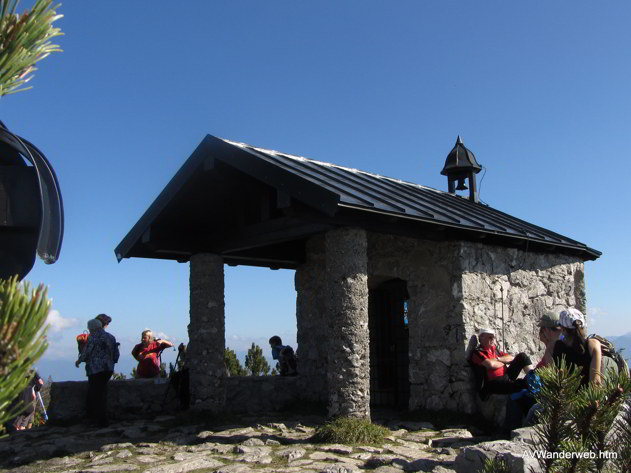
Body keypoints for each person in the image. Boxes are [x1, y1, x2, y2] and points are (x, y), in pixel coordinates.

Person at [75, 318, 120, 427]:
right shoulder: (111, 337)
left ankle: (98, 420)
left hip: (95, 369)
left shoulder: (92, 338)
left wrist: (79, 361)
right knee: (102, 392)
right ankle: (102, 419)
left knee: (95, 394)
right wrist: (112, 362)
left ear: (91, 328)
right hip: (108, 369)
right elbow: (116, 354)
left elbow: (87, 352)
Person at [470, 328, 534, 396]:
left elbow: (511, 358)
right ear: (481, 337)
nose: (492, 339)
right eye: (490, 337)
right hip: (493, 383)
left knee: (522, 356)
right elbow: (490, 365)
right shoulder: (478, 352)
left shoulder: (495, 351)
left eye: (493, 337)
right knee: (521, 384)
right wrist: (504, 361)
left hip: (506, 375)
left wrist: (497, 359)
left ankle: (533, 376)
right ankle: (533, 385)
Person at [552, 308, 602, 386]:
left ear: (562, 328)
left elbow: (553, 380)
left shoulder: (554, 347)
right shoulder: (593, 345)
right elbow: (595, 381)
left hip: (563, 397)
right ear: (582, 326)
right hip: (587, 397)